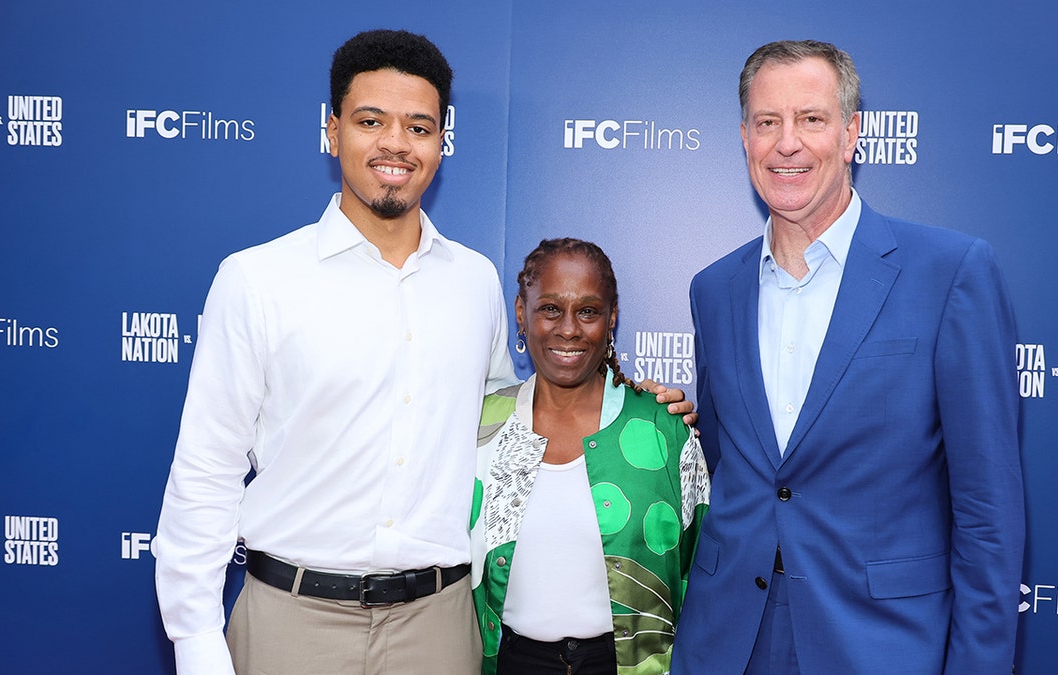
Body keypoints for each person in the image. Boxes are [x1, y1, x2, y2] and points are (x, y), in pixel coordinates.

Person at [153, 30, 695, 675]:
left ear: (441, 141)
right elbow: (205, 473)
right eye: (370, 121)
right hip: (291, 620)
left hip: (438, 628)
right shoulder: (256, 280)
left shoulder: (474, 284)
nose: (394, 144)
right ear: (332, 131)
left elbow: (504, 427)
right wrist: (195, 642)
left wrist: (634, 402)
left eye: (418, 126)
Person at [672, 40, 1024, 674]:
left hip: (879, 642)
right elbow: (732, 466)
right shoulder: (714, 289)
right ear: (745, 138)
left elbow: (987, 514)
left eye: (811, 119)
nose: (788, 143)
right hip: (727, 641)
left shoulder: (949, 274)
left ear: (852, 133)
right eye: (767, 122)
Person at [470, 238, 709, 675]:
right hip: (511, 663)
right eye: (549, 309)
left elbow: (703, 567)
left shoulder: (663, 428)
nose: (568, 329)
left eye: (588, 311)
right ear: (521, 314)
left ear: (611, 318)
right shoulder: (483, 427)